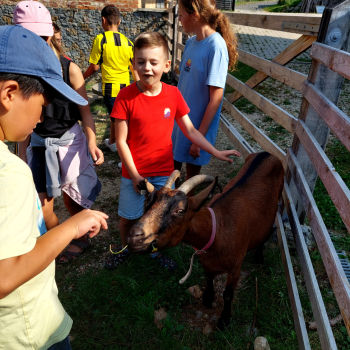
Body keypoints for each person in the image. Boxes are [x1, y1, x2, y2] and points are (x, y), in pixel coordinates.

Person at [0, 24, 108, 350]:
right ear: (9, 93)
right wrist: (71, 227)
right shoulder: (10, 174)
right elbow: (5, 276)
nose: (44, 112)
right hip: (26, 331)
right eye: (44, 100)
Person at [104, 32, 240, 270]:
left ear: (166, 65)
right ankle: (125, 249)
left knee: (161, 219)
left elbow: (191, 131)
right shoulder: (125, 97)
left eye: (154, 62)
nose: (147, 68)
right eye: (141, 62)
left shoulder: (173, 95)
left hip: (164, 175)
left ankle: (155, 252)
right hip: (134, 175)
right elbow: (121, 141)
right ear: (133, 63)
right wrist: (135, 175)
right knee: (128, 218)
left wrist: (216, 151)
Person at [15, 0, 104, 263]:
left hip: (69, 141)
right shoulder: (20, 73)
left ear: (51, 35)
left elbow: (85, 110)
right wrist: (22, 154)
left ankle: (79, 236)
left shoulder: (70, 69)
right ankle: (62, 239)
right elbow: (23, 123)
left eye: (41, 37)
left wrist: (92, 141)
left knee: (73, 199)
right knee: (43, 208)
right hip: (41, 143)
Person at [172, 0, 238, 196]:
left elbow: (215, 100)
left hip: (198, 128)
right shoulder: (192, 42)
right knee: (171, 173)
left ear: (195, 15)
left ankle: (187, 218)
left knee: (190, 183)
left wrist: (198, 139)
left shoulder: (215, 46)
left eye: (181, 14)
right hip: (179, 123)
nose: (179, 18)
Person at [83, 5, 138, 154]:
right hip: (126, 86)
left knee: (117, 118)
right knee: (117, 115)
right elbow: (134, 68)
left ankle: (123, 149)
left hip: (110, 87)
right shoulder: (128, 42)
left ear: (103, 20)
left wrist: (81, 77)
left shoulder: (100, 39)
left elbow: (94, 67)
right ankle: (113, 142)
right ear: (119, 22)